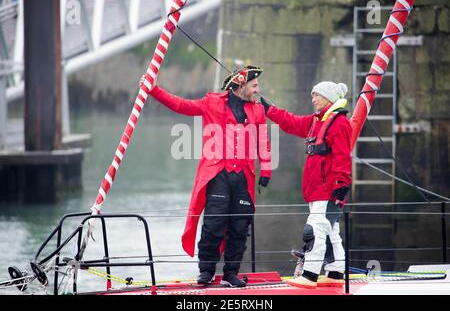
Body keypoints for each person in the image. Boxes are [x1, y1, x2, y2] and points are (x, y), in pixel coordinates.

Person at [141, 66, 272, 287]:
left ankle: (231, 273)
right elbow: (181, 105)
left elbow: (263, 141)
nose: (258, 89)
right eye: (254, 85)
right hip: (218, 175)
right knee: (214, 224)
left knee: (240, 227)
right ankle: (206, 270)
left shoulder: (257, 110)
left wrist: (266, 171)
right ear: (241, 85)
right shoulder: (212, 103)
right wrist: (153, 90)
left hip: (243, 178)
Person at [260, 81, 352, 289]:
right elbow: (291, 122)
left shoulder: (338, 122)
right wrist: (269, 110)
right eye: (312, 95)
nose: (313, 99)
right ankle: (336, 273)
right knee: (331, 232)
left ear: (329, 98)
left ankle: (310, 275)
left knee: (315, 230)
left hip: (327, 190)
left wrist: (340, 184)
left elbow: (342, 156)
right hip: (317, 190)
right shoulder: (315, 121)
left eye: (317, 95)